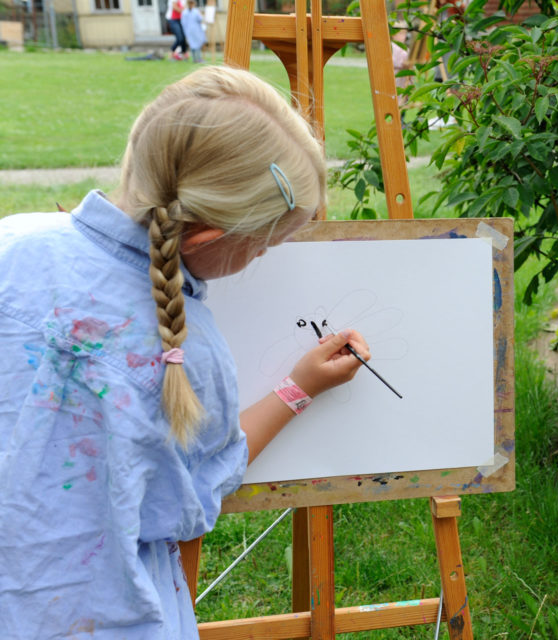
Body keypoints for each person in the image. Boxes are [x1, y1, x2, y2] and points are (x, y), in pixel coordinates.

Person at [0, 66, 370, 639]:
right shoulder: (189, 354)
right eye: (267, 244)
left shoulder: (12, 242)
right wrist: (299, 388)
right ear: (207, 238)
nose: (267, 258)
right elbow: (191, 497)